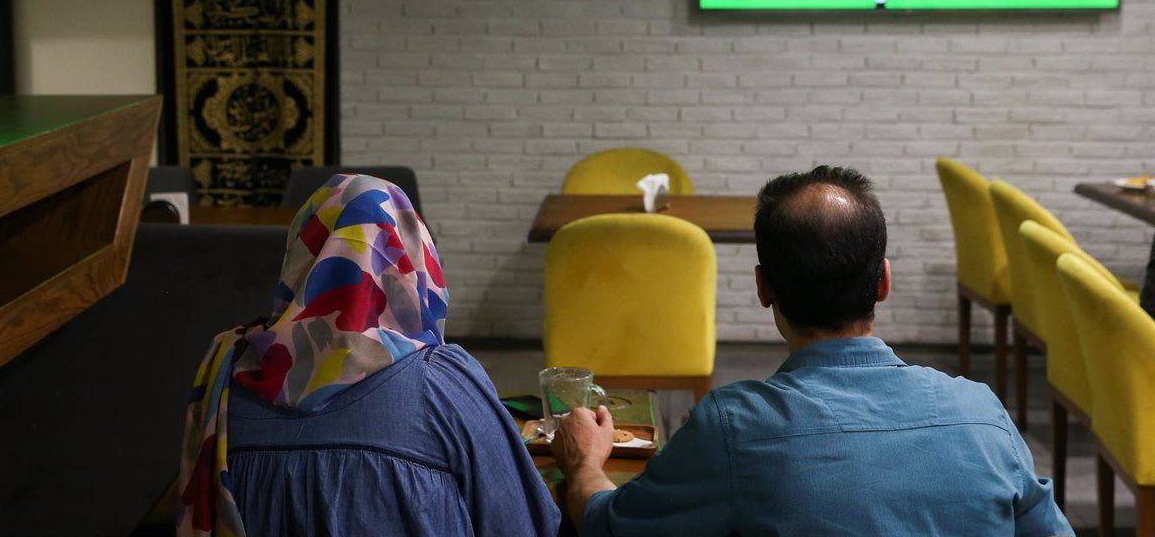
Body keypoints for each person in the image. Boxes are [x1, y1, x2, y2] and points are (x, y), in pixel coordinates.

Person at [553, 166, 1072, 537]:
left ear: (763, 289)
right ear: (884, 281)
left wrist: (585, 466)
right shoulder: (983, 413)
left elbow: (608, 523)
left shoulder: (730, 427)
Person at [176, 175, 558, 537]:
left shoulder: (224, 378)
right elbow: (525, 523)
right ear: (413, 260)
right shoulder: (441, 387)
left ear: (299, 261)